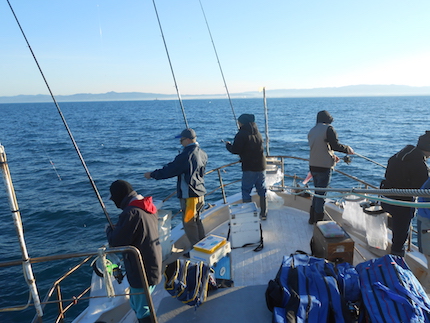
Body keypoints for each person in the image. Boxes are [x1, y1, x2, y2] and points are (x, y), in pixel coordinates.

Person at [106, 180, 162, 323]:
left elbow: (116, 243)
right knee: (138, 302)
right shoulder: (145, 206)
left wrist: (109, 230)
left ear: (119, 197)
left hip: (141, 270)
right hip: (152, 263)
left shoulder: (131, 213)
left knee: (142, 309)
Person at [144, 128, 207, 247]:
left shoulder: (186, 155)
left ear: (188, 140)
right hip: (200, 193)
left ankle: (196, 248)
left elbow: (170, 170)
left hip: (190, 196)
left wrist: (152, 174)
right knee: (197, 220)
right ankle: (203, 244)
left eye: (182, 140)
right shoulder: (202, 153)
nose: (180, 143)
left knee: (189, 222)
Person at [381, 131, 430, 257]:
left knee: (395, 228)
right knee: (400, 236)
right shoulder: (420, 165)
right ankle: (397, 260)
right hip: (402, 203)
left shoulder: (399, 155)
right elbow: (422, 190)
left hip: (386, 197)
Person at [307, 110, 354, 224]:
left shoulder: (312, 131)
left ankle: (312, 219)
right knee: (321, 195)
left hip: (313, 166)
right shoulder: (328, 129)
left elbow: (321, 147)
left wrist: (332, 155)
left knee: (316, 192)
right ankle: (318, 221)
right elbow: (335, 145)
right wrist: (348, 149)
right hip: (324, 167)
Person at [225, 113, 268, 220]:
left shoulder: (241, 134)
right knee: (262, 190)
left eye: (239, 122)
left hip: (250, 167)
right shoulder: (258, 133)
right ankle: (264, 213)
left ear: (242, 123)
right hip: (261, 166)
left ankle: (249, 215)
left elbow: (235, 150)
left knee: (246, 191)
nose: (238, 123)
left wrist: (228, 145)